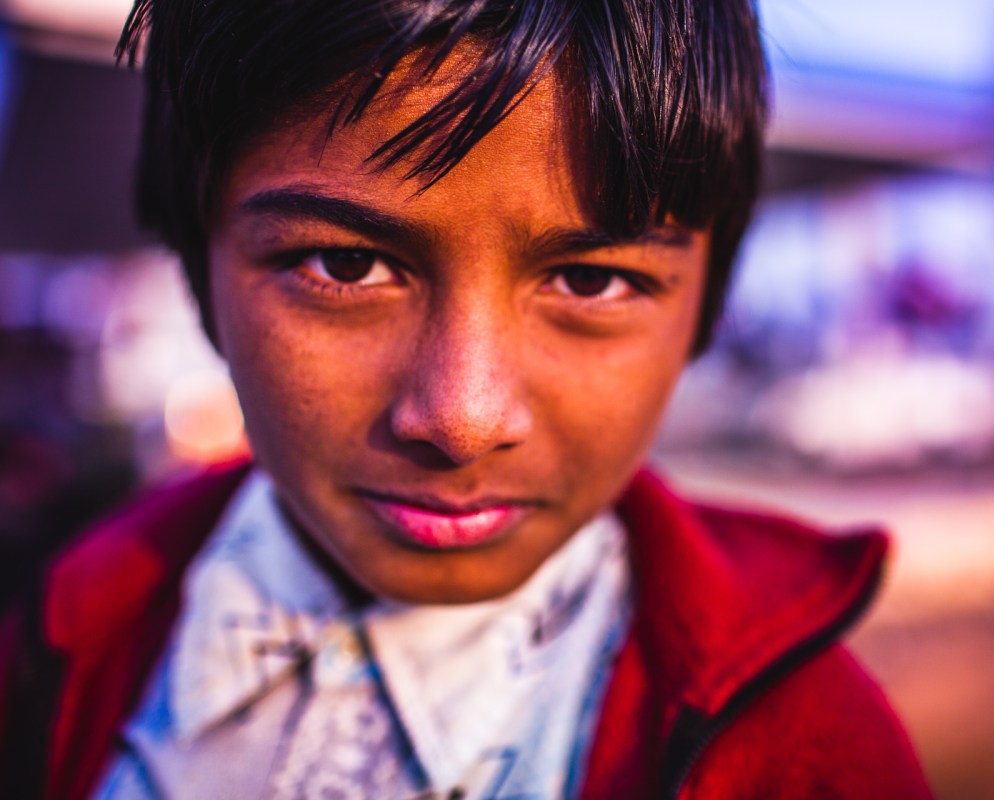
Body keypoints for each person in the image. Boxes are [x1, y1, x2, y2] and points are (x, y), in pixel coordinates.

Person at [0, 0, 933, 797]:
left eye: (592, 282)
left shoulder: (805, 752)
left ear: (703, 307)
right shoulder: (60, 646)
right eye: (345, 264)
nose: (462, 419)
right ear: (202, 273)